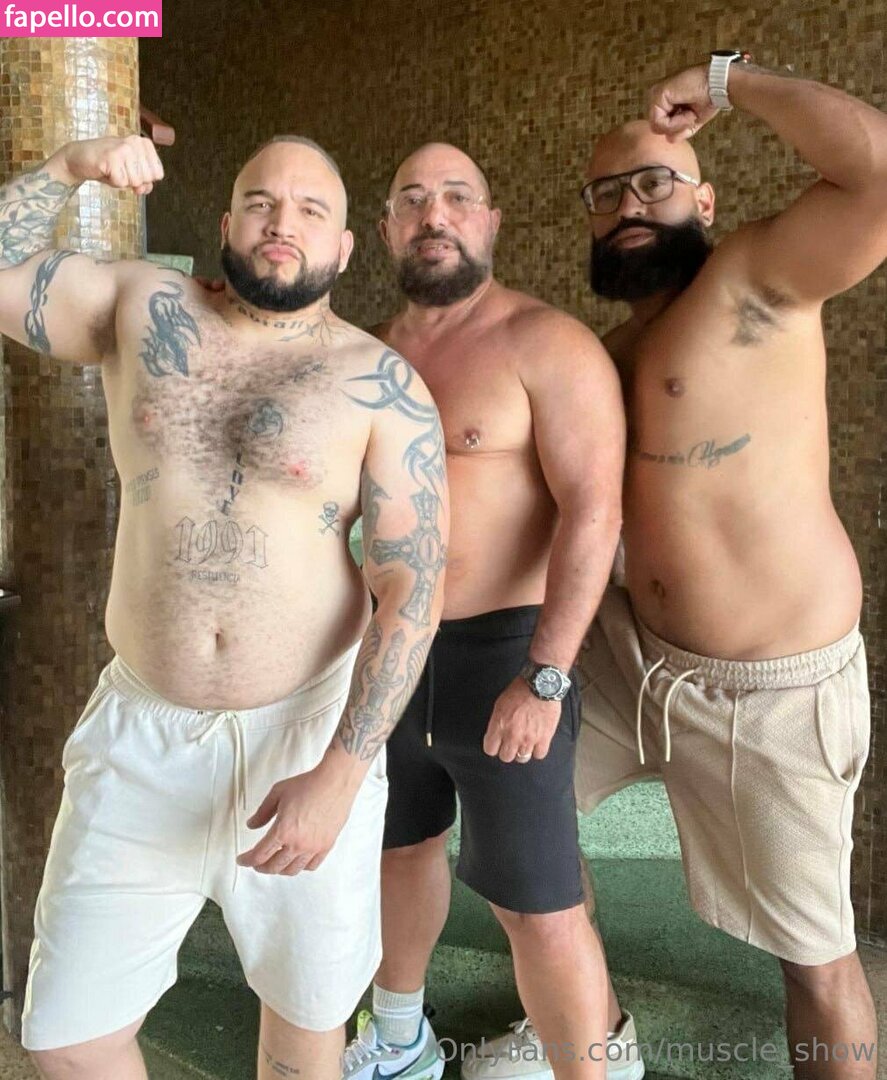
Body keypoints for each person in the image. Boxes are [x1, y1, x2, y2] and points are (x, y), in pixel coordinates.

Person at [0, 132, 448, 1080]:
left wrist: (341, 774)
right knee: (66, 1038)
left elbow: (411, 585)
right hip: (141, 735)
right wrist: (72, 167)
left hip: (304, 734)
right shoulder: (142, 306)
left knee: (304, 1025)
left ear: (345, 248)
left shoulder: (381, 385)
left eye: (310, 210)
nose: (282, 223)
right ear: (226, 222)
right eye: (260, 203)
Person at [570, 55, 887, 1079]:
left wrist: (724, 79)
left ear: (703, 201)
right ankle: (586, 1026)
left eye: (651, 181)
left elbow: (877, 175)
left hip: (771, 688)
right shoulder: (607, 355)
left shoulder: (756, 279)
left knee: (815, 958)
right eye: (605, 192)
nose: (627, 204)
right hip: (632, 659)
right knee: (515, 820)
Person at [339, 142, 629, 1080]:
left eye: (457, 197)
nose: (435, 215)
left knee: (536, 902)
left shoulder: (546, 344)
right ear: (385, 228)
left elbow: (594, 513)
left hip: (505, 654)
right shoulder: (362, 353)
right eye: (412, 199)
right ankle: (399, 1039)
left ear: (490, 221)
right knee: (398, 851)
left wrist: (544, 678)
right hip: (385, 651)